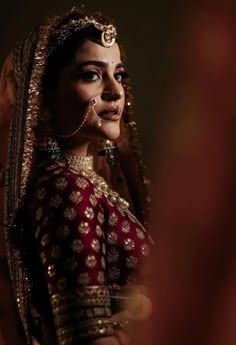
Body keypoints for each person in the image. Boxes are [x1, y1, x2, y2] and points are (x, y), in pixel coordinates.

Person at [1, 6, 152, 345]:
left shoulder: (89, 185)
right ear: (45, 96)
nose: (115, 91)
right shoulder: (66, 189)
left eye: (120, 75)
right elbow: (86, 336)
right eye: (91, 75)